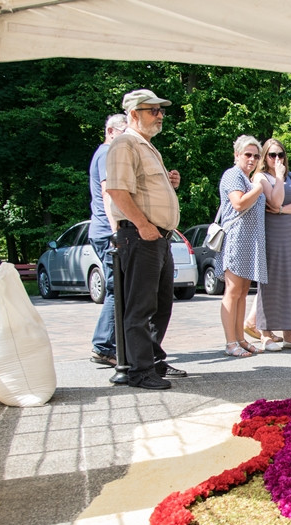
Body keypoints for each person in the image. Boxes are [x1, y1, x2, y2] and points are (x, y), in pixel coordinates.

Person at [106, 89, 186, 390]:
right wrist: (142, 224)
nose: (160, 115)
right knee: (140, 307)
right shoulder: (125, 144)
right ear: (134, 114)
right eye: (153, 110)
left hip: (157, 237)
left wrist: (168, 182)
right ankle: (138, 371)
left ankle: (152, 360)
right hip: (142, 235)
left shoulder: (146, 146)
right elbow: (116, 191)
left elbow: (142, 188)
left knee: (161, 304)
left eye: (160, 110)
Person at [246, 138, 291, 351]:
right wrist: (279, 178)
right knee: (270, 284)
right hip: (271, 235)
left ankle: (289, 335)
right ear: (265, 157)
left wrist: (283, 210)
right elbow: (274, 200)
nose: (277, 159)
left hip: (290, 236)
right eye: (272, 155)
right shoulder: (261, 177)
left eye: (280, 154)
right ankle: (265, 334)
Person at [217, 134, 267, 358]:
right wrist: (258, 187)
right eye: (248, 154)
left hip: (250, 241)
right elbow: (238, 203)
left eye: (256, 156)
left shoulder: (248, 178)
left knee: (243, 292)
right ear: (237, 155)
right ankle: (230, 342)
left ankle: (240, 338)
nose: (252, 159)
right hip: (237, 239)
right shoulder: (233, 175)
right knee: (233, 291)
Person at [87, 113, 127, 367]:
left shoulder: (107, 153)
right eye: (124, 132)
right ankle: (103, 346)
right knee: (116, 289)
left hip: (103, 230)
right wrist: (116, 231)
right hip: (106, 232)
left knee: (119, 288)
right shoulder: (106, 153)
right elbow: (107, 190)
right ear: (111, 132)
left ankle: (111, 344)